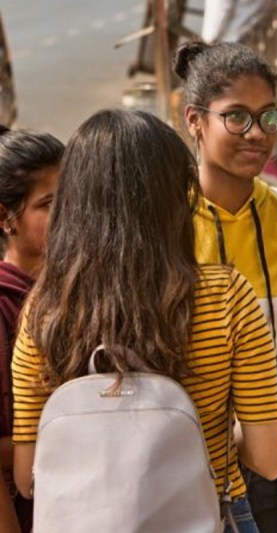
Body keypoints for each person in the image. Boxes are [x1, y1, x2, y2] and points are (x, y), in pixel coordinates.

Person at [10, 109, 277, 532]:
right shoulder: (226, 297)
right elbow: (270, 461)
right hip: (206, 516)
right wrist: (200, 438)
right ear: (176, 197)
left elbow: (25, 477)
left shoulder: (44, 310)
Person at [175, 41, 277, 533]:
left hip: (275, 444)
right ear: (195, 121)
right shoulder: (165, 223)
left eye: (269, 118)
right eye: (237, 118)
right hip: (184, 450)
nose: (257, 135)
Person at [0, 126, 61, 532]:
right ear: (6, 218)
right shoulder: (5, 302)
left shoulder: (73, 290)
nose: (67, 215)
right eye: (49, 204)